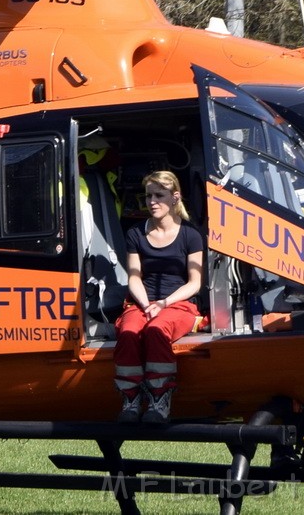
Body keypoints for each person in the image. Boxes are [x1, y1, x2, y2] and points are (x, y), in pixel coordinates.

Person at [114, 170, 204, 424]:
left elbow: (195, 283)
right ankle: (130, 399)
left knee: (156, 329)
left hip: (178, 303)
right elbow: (134, 277)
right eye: (148, 196)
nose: (152, 201)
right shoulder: (135, 233)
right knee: (130, 330)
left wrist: (164, 303)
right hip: (142, 301)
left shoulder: (191, 235)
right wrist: (146, 304)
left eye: (159, 195)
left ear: (175, 197)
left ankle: (159, 399)